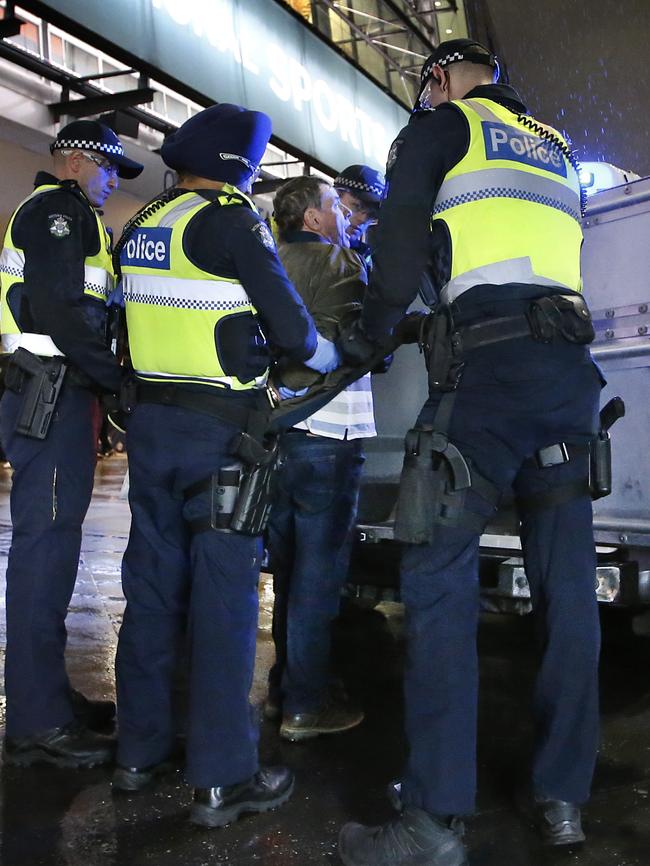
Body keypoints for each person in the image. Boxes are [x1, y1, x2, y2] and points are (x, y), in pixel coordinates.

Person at [337, 39, 603, 866]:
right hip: (568, 380)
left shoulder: (442, 127)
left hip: (486, 383)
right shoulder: (553, 144)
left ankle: (434, 817)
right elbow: (518, 256)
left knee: (439, 580)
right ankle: (564, 798)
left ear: (442, 79)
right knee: (567, 592)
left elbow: (402, 247)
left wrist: (374, 333)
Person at [112, 103, 338, 828]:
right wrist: (330, 356)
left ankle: (138, 756)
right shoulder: (231, 219)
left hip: (150, 430)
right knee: (224, 602)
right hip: (221, 439)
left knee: (149, 596)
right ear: (241, 167)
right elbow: (291, 327)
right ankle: (222, 777)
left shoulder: (143, 224)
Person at [0, 120, 143, 767]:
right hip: (53, 391)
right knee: (46, 552)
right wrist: (114, 383)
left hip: (54, 392)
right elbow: (62, 310)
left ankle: (48, 696)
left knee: (51, 549)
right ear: (82, 161)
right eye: (112, 171)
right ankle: (36, 721)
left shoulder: (56, 213)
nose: (114, 184)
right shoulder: (60, 211)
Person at [265, 175, 376, 741]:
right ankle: (306, 704)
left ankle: (284, 686)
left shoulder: (267, 258)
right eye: (335, 206)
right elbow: (363, 342)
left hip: (276, 432)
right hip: (329, 434)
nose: (343, 214)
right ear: (312, 217)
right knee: (318, 577)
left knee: (286, 573)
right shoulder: (339, 262)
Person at [334, 164, 385, 269]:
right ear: (335, 196)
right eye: (357, 206)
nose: (363, 219)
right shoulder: (304, 249)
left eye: (372, 215)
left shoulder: (366, 260)